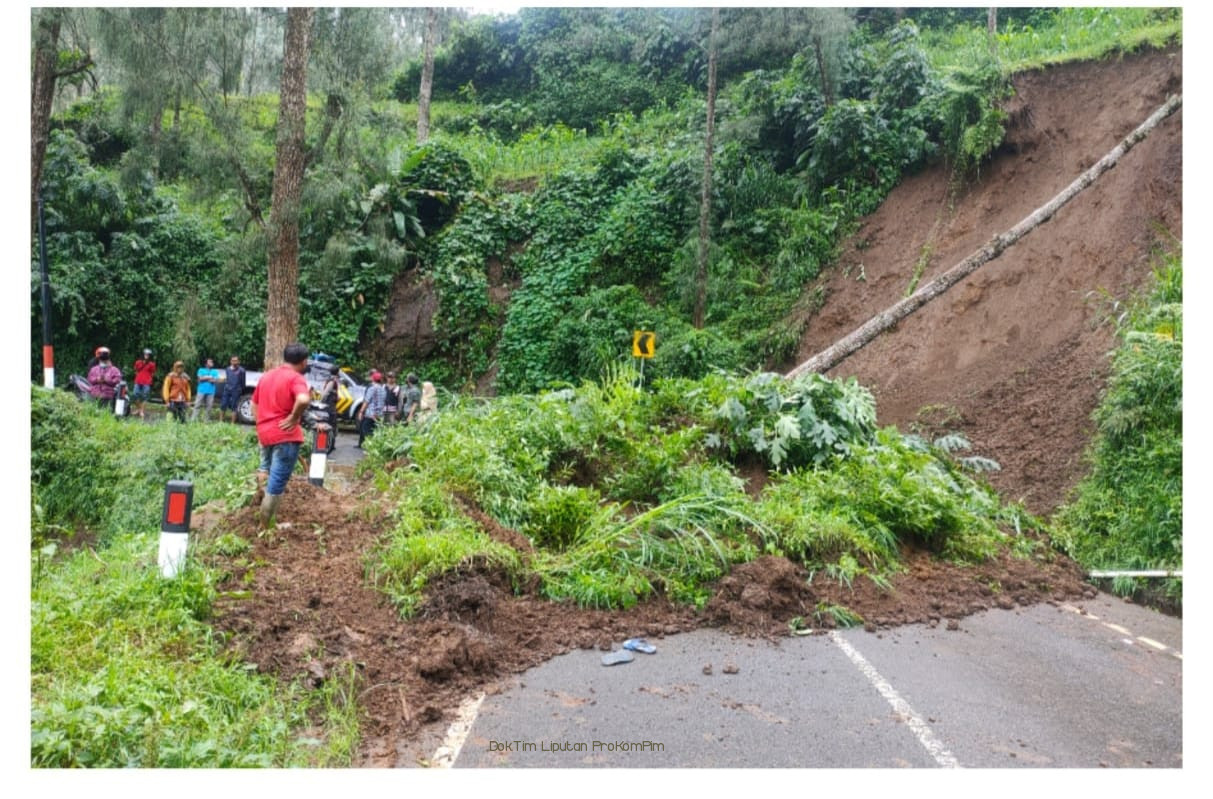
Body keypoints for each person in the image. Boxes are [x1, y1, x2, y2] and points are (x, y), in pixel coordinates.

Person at [251, 342, 312, 528]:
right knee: (277, 482)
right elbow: (303, 399)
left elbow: (255, 404)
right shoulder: (295, 378)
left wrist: (262, 425)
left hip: (265, 434)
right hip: (285, 436)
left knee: (265, 469)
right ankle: (266, 526)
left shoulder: (267, 376)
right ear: (303, 362)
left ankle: (257, 500)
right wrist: (294, 417)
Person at [356, 370, 387, 447]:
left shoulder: (372, 388)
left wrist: (361, 412)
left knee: (366, 430)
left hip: (370, 414)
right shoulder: (383, 389)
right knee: (375, 430)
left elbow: (366, 401)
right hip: (379, 414)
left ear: (373, 379)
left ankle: (370, 446)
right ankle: (371, 445)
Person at [317, 362, 341, 454]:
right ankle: (328, 445)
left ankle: (331, 445)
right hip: (329, 408)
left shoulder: (333, 380)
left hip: (331, 407)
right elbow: (325, 394)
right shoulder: (332, 381)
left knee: (333, 425)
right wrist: (321, 403)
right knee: (331, 425)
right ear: (337, 372)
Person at [190, 357, 220, 422]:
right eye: (210, 362)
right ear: (206, 364)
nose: (212, 363)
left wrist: (204, 378)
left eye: (212, 361)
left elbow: (215, 380)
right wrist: (209, 377)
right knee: (197, 405)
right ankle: (193, 419)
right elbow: (200, 379)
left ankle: (206, 420)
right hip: (201, 390)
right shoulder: (201, 370)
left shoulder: (215, 371)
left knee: (209, 406)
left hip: (211, 391)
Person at [219, 355, 247, 423]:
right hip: (227, 389)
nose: (234, 362)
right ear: (230, 361)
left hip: (236, 390)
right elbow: (227, 379)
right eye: (233, 360)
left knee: (234, 407)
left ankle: (232, 424)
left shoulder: (242, 370)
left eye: (236, 360)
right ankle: (221, 422)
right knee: (223, 404)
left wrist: (240, 390)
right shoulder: (227, 369)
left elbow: (243, 382)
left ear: (238, 361)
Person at [131, 349, 156, 418]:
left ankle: (141, 411)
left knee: (145, 397)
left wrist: (149, 378)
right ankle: (139, 409)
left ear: (150, 356)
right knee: (134, 395)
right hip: (138, 381)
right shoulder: (138, 362)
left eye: (148, 354)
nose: (146, 356)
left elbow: (153, 372)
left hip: (147, 382)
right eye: (145, 354)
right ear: (143, 354)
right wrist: (139, 376)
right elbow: (135, 370)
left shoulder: (152, 364)